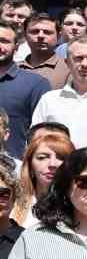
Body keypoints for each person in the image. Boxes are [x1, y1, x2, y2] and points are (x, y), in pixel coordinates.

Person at [0, 23, 49, 158]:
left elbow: (42, 134)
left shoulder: (36, 84)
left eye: (4, 41)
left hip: (14, 166)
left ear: (16, 47)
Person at [14, 128, 73, 227]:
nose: (52, 164)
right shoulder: (11, 203)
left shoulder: (80, 207)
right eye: (42, 157)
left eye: (61, 158)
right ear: (30, 165)